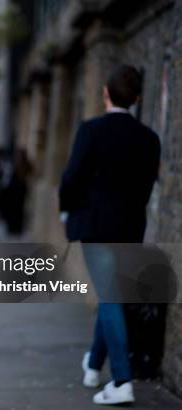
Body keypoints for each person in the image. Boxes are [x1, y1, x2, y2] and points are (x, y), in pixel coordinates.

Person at [59, 65, 160, 405]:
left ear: (105, 93)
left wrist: (66, 210)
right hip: (131, 227)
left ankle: (121, 381)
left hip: (97, 227)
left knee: (109, 297)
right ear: (137, 98)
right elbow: (147, 188)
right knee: (112, 294)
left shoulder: (91, 130)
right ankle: (92, 362)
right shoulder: (150, 139)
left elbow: (72, 178)